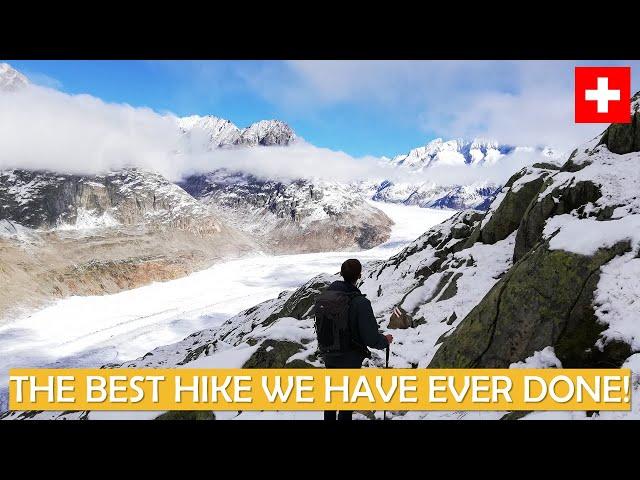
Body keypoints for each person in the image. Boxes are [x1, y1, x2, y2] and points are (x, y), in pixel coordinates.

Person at [314, 258, 393, 421]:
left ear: (341, 273)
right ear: (359, 276)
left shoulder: (326, 297)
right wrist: (384, 341)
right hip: (349, 357)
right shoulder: (360, 302)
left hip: (329, 353)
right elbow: (371, 337)